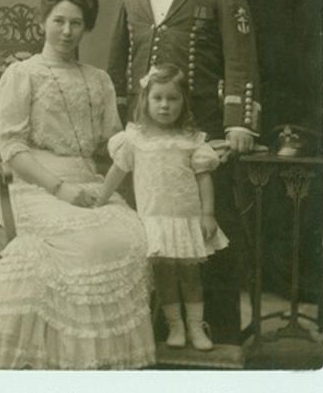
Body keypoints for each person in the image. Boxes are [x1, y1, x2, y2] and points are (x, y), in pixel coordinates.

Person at [0, 0, 156, 370]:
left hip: (90, 183)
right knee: (85, 244)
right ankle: (67, 351)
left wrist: (148, 140)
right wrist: (60, 189)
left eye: (76, 23)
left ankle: (102, 351)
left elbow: (112, 141)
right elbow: (11, 148)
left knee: (135, 236)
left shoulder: (98, 79)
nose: (67, 31)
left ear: (86, 28)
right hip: (36, 185)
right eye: (58, 21)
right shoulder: (22, 74)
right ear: (43, 22)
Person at [108, 0, 261, 344]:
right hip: (145, 133)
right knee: (151, 232)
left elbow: (241, 56)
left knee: (209, 231)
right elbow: (118, 57)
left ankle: (220, 334)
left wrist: (239, 121)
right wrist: (116, 121)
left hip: (202, 131)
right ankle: (155, 333)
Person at [96, 64, 228, 350]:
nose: (165, 105)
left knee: (191, 276)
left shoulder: (191, 140)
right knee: (165, 276)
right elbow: (117, 172)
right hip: (155, 220)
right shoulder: (135, 139)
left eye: (172, 98)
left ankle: (196, 327)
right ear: (146, 100)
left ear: (183, 102)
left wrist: (207, 213)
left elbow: (204, 178)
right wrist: (100, 199)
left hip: (186, 219)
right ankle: (175, 326)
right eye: (158, 98)